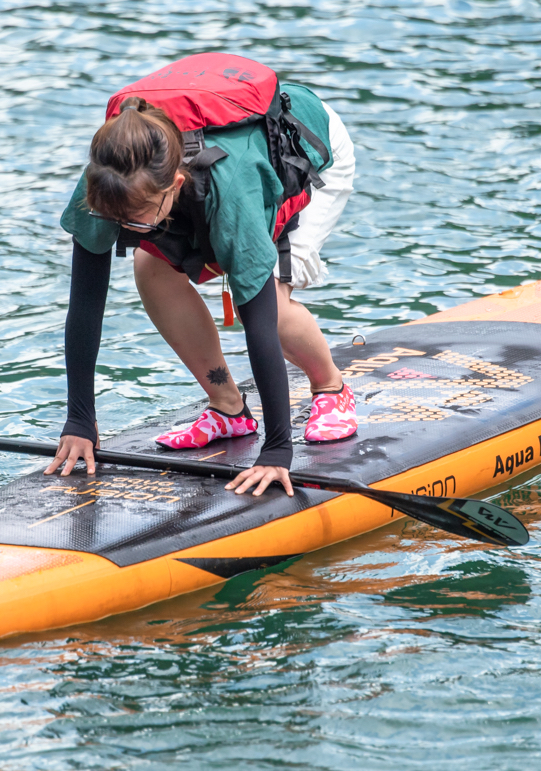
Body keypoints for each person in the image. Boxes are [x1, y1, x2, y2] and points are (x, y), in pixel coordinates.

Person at [44, 54, 358, 497]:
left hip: (308, 152)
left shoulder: (233, 189)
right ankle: (229, 409)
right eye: (122, 220)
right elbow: (85, 302)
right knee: (150, 265)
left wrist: (276, 452)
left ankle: (331, 387)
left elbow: (258, 321)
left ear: (174, 185)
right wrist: (79, 420)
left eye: (137, 218)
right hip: (201, 172)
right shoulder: (108, 179)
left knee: (273, 302)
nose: (127, 228)